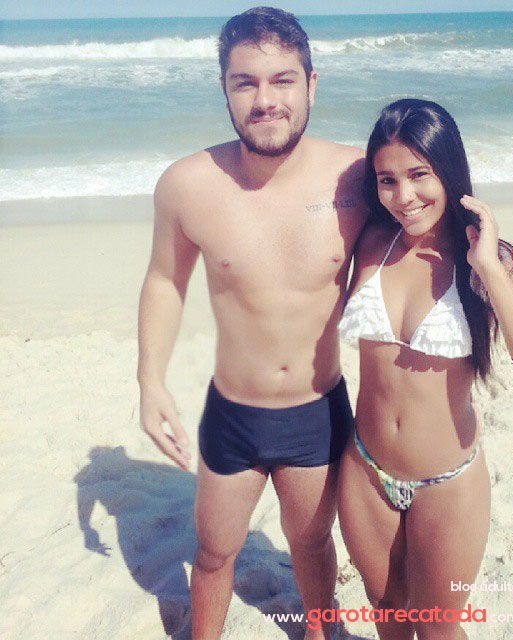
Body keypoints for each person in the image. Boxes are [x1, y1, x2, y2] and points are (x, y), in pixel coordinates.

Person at [136, 7, 367, 640]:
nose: (265, 100)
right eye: (246, 82)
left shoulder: (356, 177)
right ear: (225, 89)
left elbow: (421, 228)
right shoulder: (187, 185)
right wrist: (149, 380)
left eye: (282, 80)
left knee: (311, 543)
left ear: (311, 84)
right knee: (214, 552)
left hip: (317, 411)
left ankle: (319, 631)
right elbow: (164, 280)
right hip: (233, 415)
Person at [337, 99, 513, 640]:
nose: (404, 196)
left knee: (438, 627)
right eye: (388, 180)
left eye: (419, 174)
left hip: (447, 485)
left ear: (449, 170)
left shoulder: (499, 262)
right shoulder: (371, 241)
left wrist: (488, 269)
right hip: (365, 470)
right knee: (388, 611)